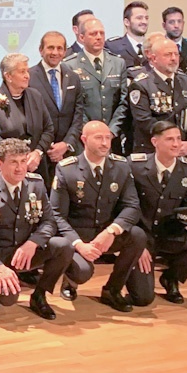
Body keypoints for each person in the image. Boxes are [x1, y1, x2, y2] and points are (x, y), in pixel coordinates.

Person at [0, 138, 69, 320]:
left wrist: (33, 243)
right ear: (0, 164)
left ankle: (39, 295)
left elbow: (49, 222)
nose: (20, 168)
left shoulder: (35, 184)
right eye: (13, 162)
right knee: (7, 299)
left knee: (63, 246)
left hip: (26, 252)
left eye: (23, 161)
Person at [49, 120, 145, 309]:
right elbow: (57, 214)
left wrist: (112, 231)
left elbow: (132, 206)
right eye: (99, 138)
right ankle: (70, 281)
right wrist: (78, 245)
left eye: (108, 138)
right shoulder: (67, 169)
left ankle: (113, 289)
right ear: (84, 139)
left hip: (106, 233)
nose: (105, 143)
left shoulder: (121, 166)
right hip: (78, 236)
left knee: (137, 236)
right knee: (83, 271)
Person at [126, 121, 187, 304]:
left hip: (170, 233)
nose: (176, 144)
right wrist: (136, 244)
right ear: (155, 142)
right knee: (142, 299)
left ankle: (171, 277)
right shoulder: (135, 166)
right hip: (142, 235)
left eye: (178, 139)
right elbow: (125, 207)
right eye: (169, 139)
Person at [0, 53, 54, 181]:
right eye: (22, 72)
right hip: (3, 170)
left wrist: (38, 152)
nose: (27, 76)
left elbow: (48, 129)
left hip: (35, 167)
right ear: (8, 76)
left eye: (27, 71)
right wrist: (17, 157)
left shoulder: (35, 96)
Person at [127, 35, 187, 156]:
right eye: (167, 55)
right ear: (153, 59)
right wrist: (173, 141)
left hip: (185, 152)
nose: (174, 58)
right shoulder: (141, 84)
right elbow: (144, 121)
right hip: (154, 152)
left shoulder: (186, 81)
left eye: (176, 54)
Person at [64, 17, 128, 142]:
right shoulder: (70, 65)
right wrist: (91, 131)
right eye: (93, 34)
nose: (99, 37)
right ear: (81, 38)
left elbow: (123, 102)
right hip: (84, 138)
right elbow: (73, 106)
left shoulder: (118, 63)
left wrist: (112, 131)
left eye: (102, 33)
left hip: (112, 137)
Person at [30, 31, 84, 168]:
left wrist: (66, 144)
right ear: (41, 50)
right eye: (50, 47)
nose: (55, 52)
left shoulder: (73, 77)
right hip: (38, 155)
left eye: (59, 48)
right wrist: (44, 147)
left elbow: (78, 116)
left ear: (65, 51)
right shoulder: (29, 77)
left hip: (68, 153)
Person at [106, 1, 149, 68]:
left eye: (146, 18)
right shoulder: (113, 47)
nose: (144, 22)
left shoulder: (153, 46)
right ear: (127, 22)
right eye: (139, 18)